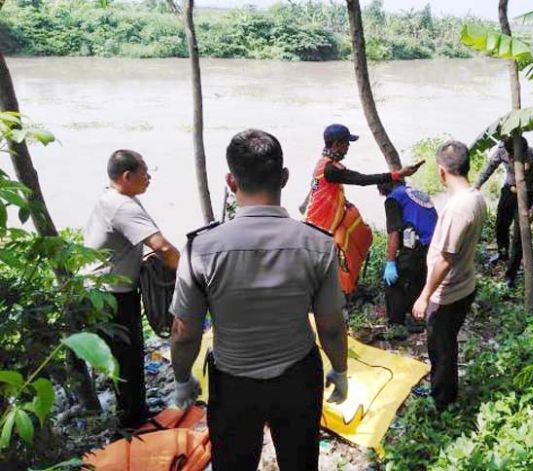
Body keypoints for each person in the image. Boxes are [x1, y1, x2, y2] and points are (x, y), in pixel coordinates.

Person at [169, 129, 349, 471]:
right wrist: (339, 370)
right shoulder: (317, 244)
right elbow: (331, 326)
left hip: (233, 382)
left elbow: (184, 332)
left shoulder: (200, 248)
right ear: (283, 177)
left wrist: (182, 380)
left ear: (230, 181)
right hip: (297, 377)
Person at [84, 149, 180, 428]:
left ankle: (134, 412)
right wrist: (191, 275)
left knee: (128, 357)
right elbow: (161, 247)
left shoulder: (113, 198)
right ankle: (131, 422)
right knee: (127, 358)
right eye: (144, 171)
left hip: (104, 292)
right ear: (127, 176)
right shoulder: (122, 205)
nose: (149, 177)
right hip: (111, 296)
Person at [303, 124, 423, 294]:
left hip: (315, 221)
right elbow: (361, 179)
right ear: (337, 144)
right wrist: (398, 174)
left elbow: (316, 186)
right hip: (321, 227)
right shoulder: (331, 169)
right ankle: (333, 295)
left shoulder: (322, 164)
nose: (348, 147)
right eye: (346, 143)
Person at [412, 140, 487, 411]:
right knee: (446, 343)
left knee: (440, 348)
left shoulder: (458, 208)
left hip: (448, 292)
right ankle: (443, 388)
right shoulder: (476, 196)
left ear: (442, 171)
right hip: (465, 283)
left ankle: (442, 402)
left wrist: (424, 296)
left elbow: (445, 259)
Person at [475, 136, 533, 287]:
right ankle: (503, 253)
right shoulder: (502, 151)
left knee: (519, 235)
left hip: (529, 195)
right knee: (501, 224)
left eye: (514, 156)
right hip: (509, 190)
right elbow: (489, 168)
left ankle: (511, 275)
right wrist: (476, 185)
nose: (510, 158)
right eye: (509, 155)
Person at [377, 180, 438, 337]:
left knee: (393, 281)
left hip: (417, 245)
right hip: (435, 244)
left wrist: (390, 262)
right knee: (418, 279)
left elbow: (394, 232)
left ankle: (396, 325)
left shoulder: (393, 198)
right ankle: (417, 317)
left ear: (384, 189)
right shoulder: (415, 191)